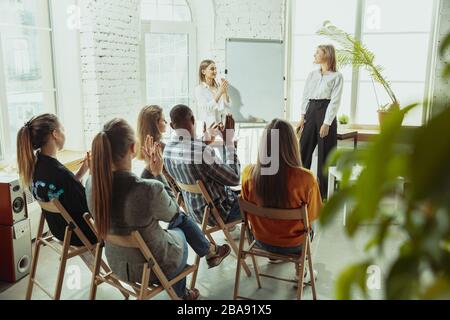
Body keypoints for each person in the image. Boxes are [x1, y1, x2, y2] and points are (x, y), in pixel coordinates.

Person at [86, 118, 230, 300]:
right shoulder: (148, 189)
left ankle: (209, 253)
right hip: (154, 268)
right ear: (133, 148)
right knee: (181, 222)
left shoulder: (91, 184)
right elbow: (174, 212)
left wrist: (149, 171)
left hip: (119, 265)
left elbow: (131, 193)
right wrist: (158, 173)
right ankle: (207, 255)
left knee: (168, 230)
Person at [241, 119, 322, 280]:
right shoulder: (307, 179)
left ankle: (274, 256)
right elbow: (313, 216)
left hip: (261, 241)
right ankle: (301, 269)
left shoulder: (248, 173)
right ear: (293, 145)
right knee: (313, 222)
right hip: (294, 246)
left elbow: (248, 214)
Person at [16, 113, 96, 246]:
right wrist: (94, 174)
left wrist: (83, 170)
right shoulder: (59, 173)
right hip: (84, 233)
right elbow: (90, 206)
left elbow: (62, 191)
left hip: (59, 231)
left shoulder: (34, 166)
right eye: (63, 129)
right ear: (55, 134)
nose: (65, 133)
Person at [163, 105, 242, 235]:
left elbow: (189, 151)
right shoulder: (202, 152)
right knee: (254, 196)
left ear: (172, 125)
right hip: (220, 213)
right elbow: (234, 179)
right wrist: (228, 142)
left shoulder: (168, 150)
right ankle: (258, 240)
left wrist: (203, 141)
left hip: (194, 213)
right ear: (193, 119)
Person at [296, 45, 344, 199]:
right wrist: (302, 116)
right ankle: (299, 188)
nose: (314, 54)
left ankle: (323, 193)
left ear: (327, 54)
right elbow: (305, 96)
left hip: (326, 112)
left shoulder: (337, 77)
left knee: (326, 155)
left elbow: (335, 101)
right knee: (303, 150)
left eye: (318, 52)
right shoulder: (312, 75)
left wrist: (327, 123)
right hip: (311, 110)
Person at [195, 59, 231, 126]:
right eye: (212, 69)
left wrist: (224, 91)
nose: (215, 71)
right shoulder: (199, 89)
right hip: (210, 127)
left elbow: (227, 106)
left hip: (223, 125)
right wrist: (220, 92)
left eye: (215, 68)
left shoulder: (218, 87)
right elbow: (207, 109)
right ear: (203, 71)